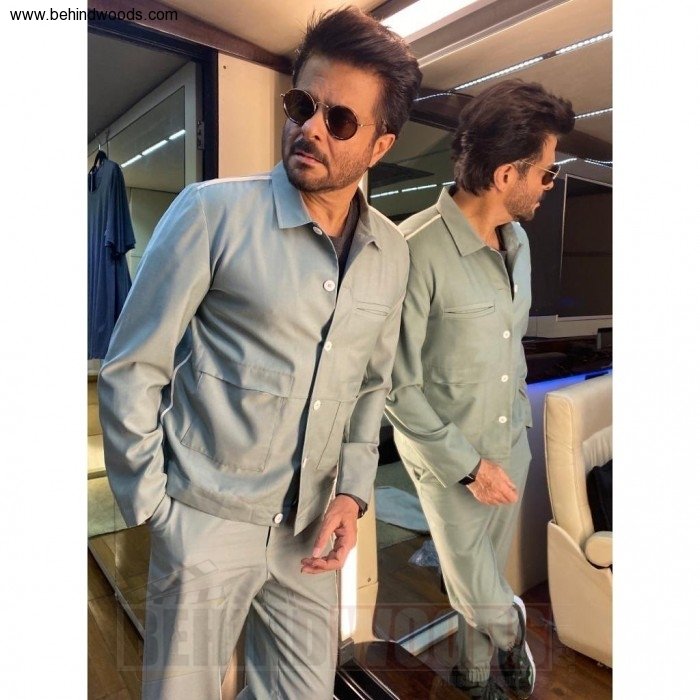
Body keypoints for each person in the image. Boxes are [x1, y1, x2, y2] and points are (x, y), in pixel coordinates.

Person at [98, 8, 421, 699]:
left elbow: (372, 384)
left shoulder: (391, 252)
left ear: (380, 145)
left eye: (340, 120)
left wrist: (353, 494)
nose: (310, 128)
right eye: (302, 105)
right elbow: (132, 365)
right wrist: (156, 508)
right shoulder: (210, 214)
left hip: (311, 531)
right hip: (203, 519)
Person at [385, 79, 574, 700]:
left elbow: (508, 346)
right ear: (505, 175)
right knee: (475, 583)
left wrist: (516, 430)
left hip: (510, 441)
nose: (549, 186)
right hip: (451, 461)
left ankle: (472, 675)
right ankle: (512, 628)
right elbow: (395, 385)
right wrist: (469, 467)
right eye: (545, 174)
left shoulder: (519, 243)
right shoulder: (413, 250)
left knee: (486, 568)